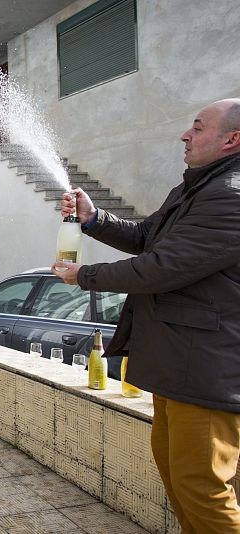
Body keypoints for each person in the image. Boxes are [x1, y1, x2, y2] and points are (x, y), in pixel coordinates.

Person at [51, 98, 240, 532]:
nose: (184, 135)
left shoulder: (230, 196)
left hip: (207, 370)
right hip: (178, 363)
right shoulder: (195, 188)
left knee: (203, 485)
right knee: (179, 477)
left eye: (197, 127)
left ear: (231, 139)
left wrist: (85, 275)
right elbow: (147, 237)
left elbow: (162, 267)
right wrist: (94, 218)